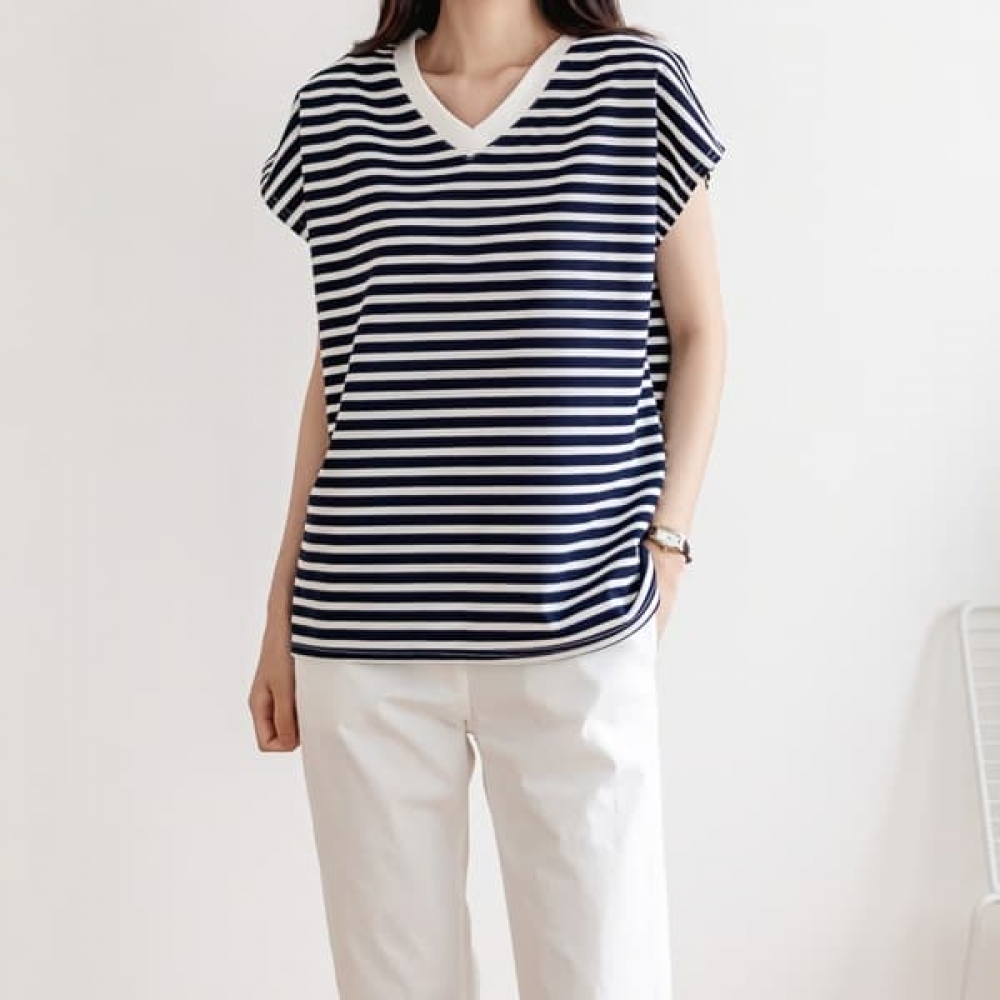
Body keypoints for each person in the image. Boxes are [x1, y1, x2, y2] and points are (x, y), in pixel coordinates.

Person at [247, 1, 728, 996]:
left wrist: (669, 544)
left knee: (605, 975)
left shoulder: (634, 89)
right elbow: (342, 369)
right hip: (363, 637)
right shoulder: (336, 112)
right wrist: (279, 608)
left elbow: (700, 330)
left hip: (579, 617)